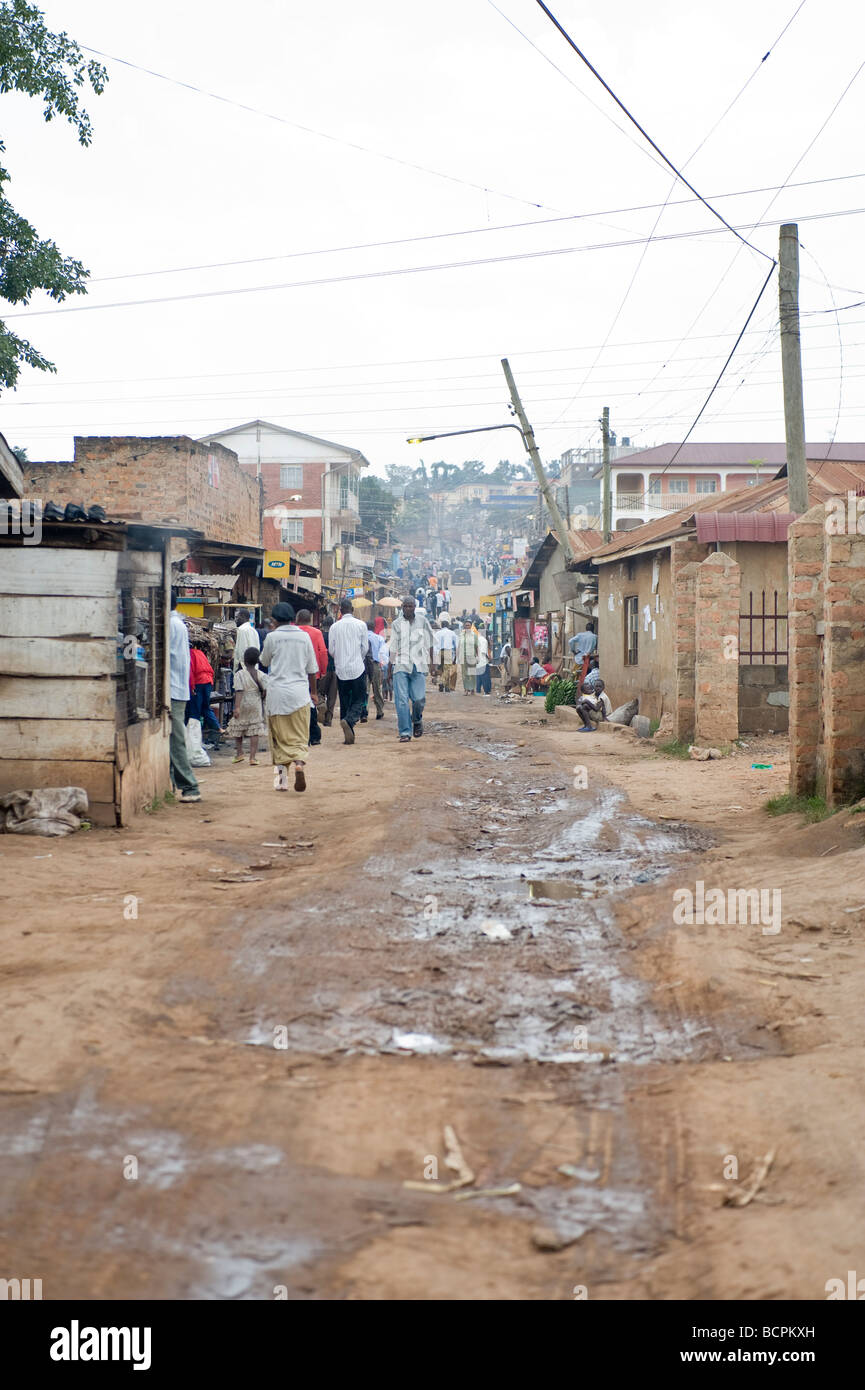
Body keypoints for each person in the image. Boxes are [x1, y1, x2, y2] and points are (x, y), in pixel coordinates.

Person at [259, 602, 318, 791]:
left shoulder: (271, 637)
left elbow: (264, 661)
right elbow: (312, 669)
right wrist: (314, 692)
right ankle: (299, 764)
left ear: (274, 620)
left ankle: (281, 781)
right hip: (300, 695)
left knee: (278, 738)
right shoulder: (304, 637)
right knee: (300, 736)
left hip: (277, 694)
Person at [168, 595, 201, 803]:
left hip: (173, 688)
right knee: (173, 738)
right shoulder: (177, 623)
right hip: (177, 687)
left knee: (176, 739)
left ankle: (190, 786)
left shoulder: (171, 624)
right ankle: (174, 783)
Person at [389, 596, 435, 743]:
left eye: (411, 606)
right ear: (402, 607)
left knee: (419, 699)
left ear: (415, 607)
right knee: (401, 701)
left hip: (419, 664)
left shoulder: (423, 621)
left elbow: (430, 642)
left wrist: (433, 662)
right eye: (406, 606)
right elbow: (393, 646)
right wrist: (390, 666)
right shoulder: (396, 624)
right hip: (401, 665)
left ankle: (416, 720)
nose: (408, 609)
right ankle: (404, 732)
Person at [328, 597, 370, 744]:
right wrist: (358, 657)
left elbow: (331, 650)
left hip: (341, 670)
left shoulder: (334, 627)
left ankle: (348, 731)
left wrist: (340, 659)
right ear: (352, 610)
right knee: (359, 699)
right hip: (357, 668)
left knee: (345, 701)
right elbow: (365, 648)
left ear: (340, 611)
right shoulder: (361, 625)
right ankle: (349, 720)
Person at [227, 645, 268, 764]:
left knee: (239, 727)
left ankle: (239, 753)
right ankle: (252, 757)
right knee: (254, 730)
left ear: (244, 660)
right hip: (255, 702)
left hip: (243, 702)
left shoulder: (239, 674)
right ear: (257, 661)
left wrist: (237, 707)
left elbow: (239, 691)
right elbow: (265, 691)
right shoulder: (261, 675)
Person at [295, 609, 328, 747]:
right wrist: (322, 671)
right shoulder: (316, 633)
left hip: (295, 674)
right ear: (310, 619)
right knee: (311, 702)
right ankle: (314, 735)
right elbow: (322, 653)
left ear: (297, 619)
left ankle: (300, 735)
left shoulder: (293, 633)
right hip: (313, 675)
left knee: (297, 705)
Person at [188, 641, 223, 748]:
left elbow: (191, 672)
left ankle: (195, 738)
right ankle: (218, 728)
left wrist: (192, 687)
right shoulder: (200, 653)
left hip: (198, 682)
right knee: (205, 707)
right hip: (208, 681)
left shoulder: (189, 654)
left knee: (195, 711)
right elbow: (210, 669)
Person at [365, 620, 386, 719]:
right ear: (374, 628)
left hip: (364, 665)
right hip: (375, 665)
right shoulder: (379, 638)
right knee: (377, 688)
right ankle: (379, 710)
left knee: (366, 689)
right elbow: (383, 654)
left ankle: (364, 711)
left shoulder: (362, 638)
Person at [568, 620, 598, 687]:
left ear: (586, 629)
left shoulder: (580, 635)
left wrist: (573, 651)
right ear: (593, 629)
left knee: (575, 677)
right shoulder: (595, 637)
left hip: (579, 659)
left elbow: (570, 641)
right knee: (586, 677)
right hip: (589, 660)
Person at [457, 619, 480, 695]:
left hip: (472, 656)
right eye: (466, 625)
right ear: (464, 626)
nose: (467, 627)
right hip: (462, 657)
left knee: (472, 673)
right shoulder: (461, 635)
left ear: (471, 626)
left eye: (468, 625)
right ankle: (466, 689)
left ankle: (472, 689)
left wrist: (478, 657)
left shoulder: (474, 635)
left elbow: (477, 647)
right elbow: (459, 646)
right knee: (464, 674)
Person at [436, 619, 458, 692]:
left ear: (441, 626)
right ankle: (442, 682)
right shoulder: (452, 633)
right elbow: (456, 645)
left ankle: (447, 687)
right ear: (448, 626)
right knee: (447, 669)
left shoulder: (437, 633)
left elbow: (434, 645)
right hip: (448, 651)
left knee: (442, 669)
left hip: (439, 652)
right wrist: (455, 656)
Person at [475, 622, 491, 696]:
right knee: (485, 677)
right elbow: (484, 652)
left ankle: (478, 690)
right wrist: (489, 659)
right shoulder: (484, 641)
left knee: (478, 676)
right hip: (483, 661)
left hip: (477, 660)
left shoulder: (477, 639)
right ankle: (486, 691)